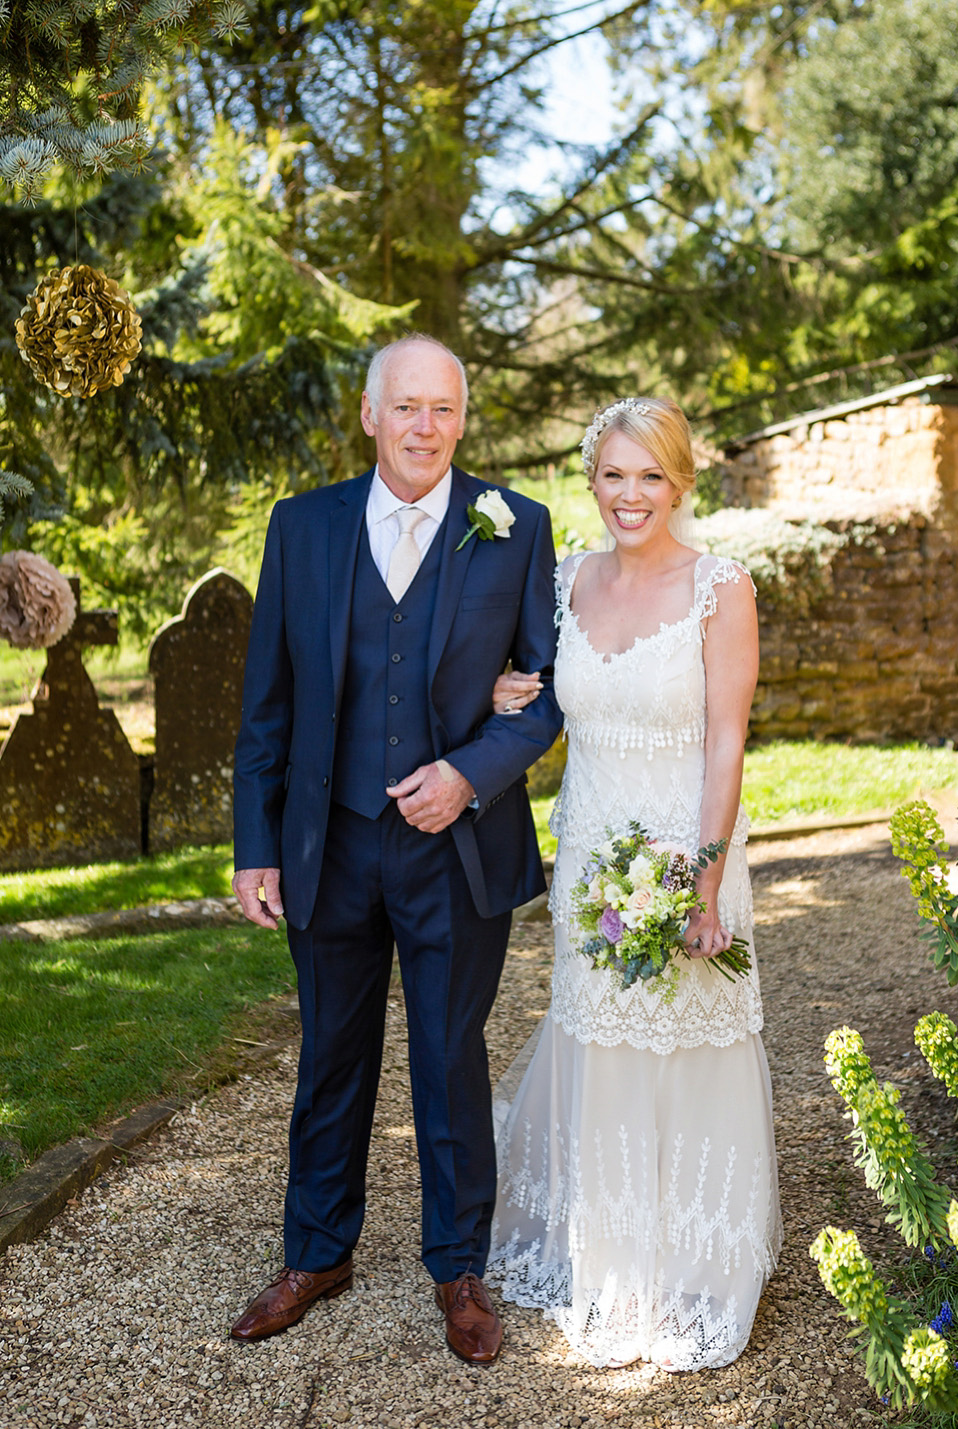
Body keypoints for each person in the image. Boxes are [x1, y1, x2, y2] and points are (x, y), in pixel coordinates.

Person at [229, 334, 562, 1363]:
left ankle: (458, 1266)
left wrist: (470, 770)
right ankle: (317, 1253)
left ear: (464, 419)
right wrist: (256, 846)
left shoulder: (515, 526)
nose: (427, 427)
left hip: (457, 849)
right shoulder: (302, 527)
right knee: (331, 1055)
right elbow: (267, 703)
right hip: (328, 845)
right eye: (408, 407)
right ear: (370, 414)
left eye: (446, 409)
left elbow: (551, 689)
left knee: (449, 1058)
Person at [486, 396, 781, 1371]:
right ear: (592, 481)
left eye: (650, 475)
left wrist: (701, 878)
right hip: (590, 856)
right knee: (603, 1039)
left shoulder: (720, 586)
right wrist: (501, 690)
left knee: (683, 1045)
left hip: (682, 852)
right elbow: (534, 683)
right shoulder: (565, 577)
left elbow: (729, 739)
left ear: (680, 481)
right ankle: (614, 1261)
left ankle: (694, 1261)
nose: (630, 494)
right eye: (614, 475)